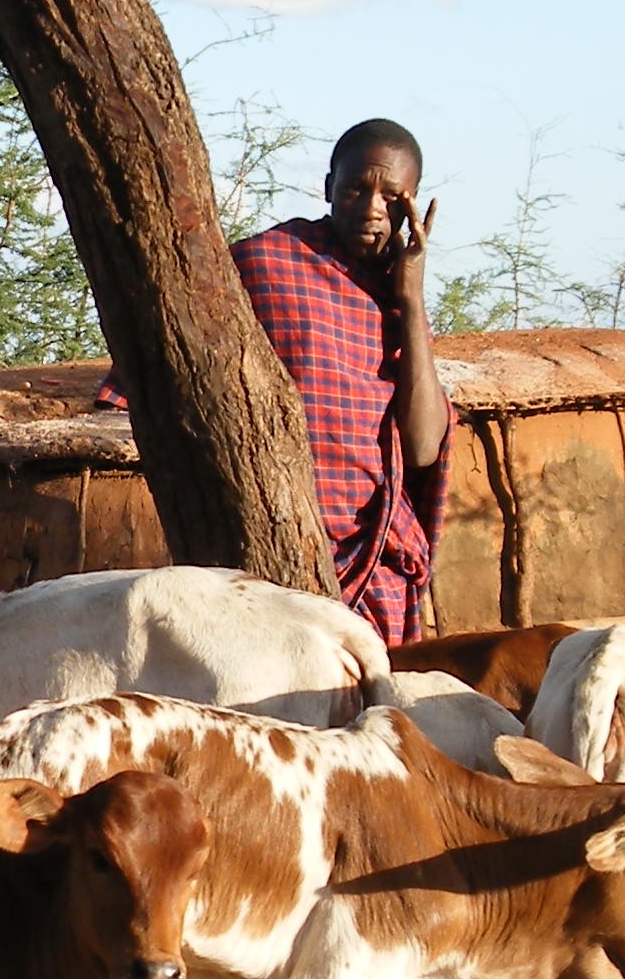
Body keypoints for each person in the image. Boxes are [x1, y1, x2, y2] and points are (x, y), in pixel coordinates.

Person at [100, 116, 451, 645]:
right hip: (277, 536)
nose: (372, 208)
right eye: (357, 188)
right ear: (329, 186)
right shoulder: (265, 264)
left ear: (414, 203)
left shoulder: (401, 300)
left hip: (375, 555)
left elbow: (423, 449)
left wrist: (411, 298)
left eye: (391, 196)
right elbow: (160, 360)